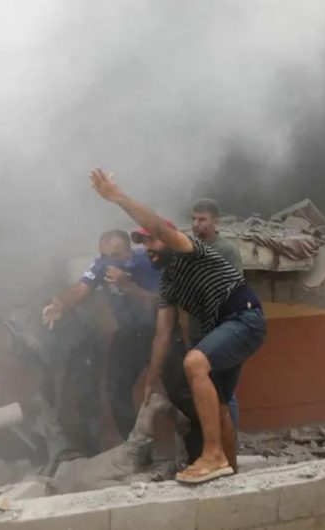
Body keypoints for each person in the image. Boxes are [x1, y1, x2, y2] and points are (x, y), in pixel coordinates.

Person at [89, 168, 267, 484]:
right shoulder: (168, 286)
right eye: (144, 242)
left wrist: (118, 198)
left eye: (153, 240)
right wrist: (151, 379)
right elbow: (162, 334)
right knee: (220, 406)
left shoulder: (190, 250)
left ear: (170, 240)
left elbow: (158, 224)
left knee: (193, 363)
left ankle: (212, 455)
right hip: (222, 332)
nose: (149, 247)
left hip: (244, 318)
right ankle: (230, 473)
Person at [42, 229, 162, 440]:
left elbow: (158, 302)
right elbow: (81, 288)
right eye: (104, 255)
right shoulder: (100, 266)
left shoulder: (147, 262)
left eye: (115, 256)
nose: (109, 262)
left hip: (161, 332)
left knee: (178, 389)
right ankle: (136, 445)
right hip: (129, 335)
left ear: (129, 253)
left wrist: (127, 286)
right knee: (116, 392)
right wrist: (61, 304)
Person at [188, 198, 243, 428]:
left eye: (202, 219)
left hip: (220, 331)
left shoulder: (225, 250)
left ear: (215, 222)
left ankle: (231, 442)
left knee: (223, 393)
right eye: (193, 219)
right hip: (197, 331)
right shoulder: (190, 248)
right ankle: (212, 441)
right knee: (204, 388)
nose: (196, 224)